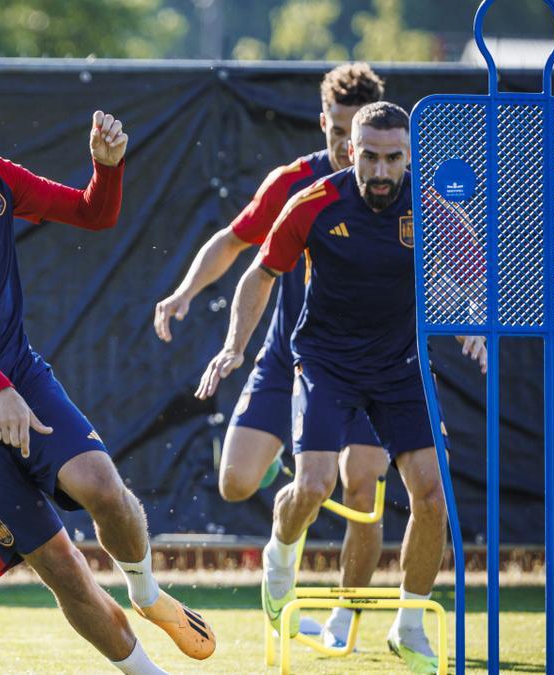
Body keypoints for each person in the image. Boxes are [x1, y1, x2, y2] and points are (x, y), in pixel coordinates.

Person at [0, 69, 214, 674]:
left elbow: (93, 215)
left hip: (14, 376)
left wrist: (107, 168)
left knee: (104, 488)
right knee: (63, 567)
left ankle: (145, 592)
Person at [194, 102, 487, 674]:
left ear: (409, 155)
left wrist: (476, 319)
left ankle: (408, 627)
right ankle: (279, 561)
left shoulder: (427, 204)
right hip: (326, 363)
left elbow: (474, 267)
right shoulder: (313, 202)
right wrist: (235, 345)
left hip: (400, 367)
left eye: (393, 158)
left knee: (431, 495)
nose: (381, 171)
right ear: (351, 151)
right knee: (314, 484)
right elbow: (260, 273)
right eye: (370, 157)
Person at [154, 62, 388, 648]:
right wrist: (185, 293)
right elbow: (234, 241)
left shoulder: (397, 192)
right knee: (235, 483)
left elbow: (454, 252)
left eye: (352, 132)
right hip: (288, 358)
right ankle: (294, 477)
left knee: (361, 485)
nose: (342, 143)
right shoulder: (296, 184)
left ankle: (346, 621)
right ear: (323, 123)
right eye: (334, 129)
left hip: (365, 365)